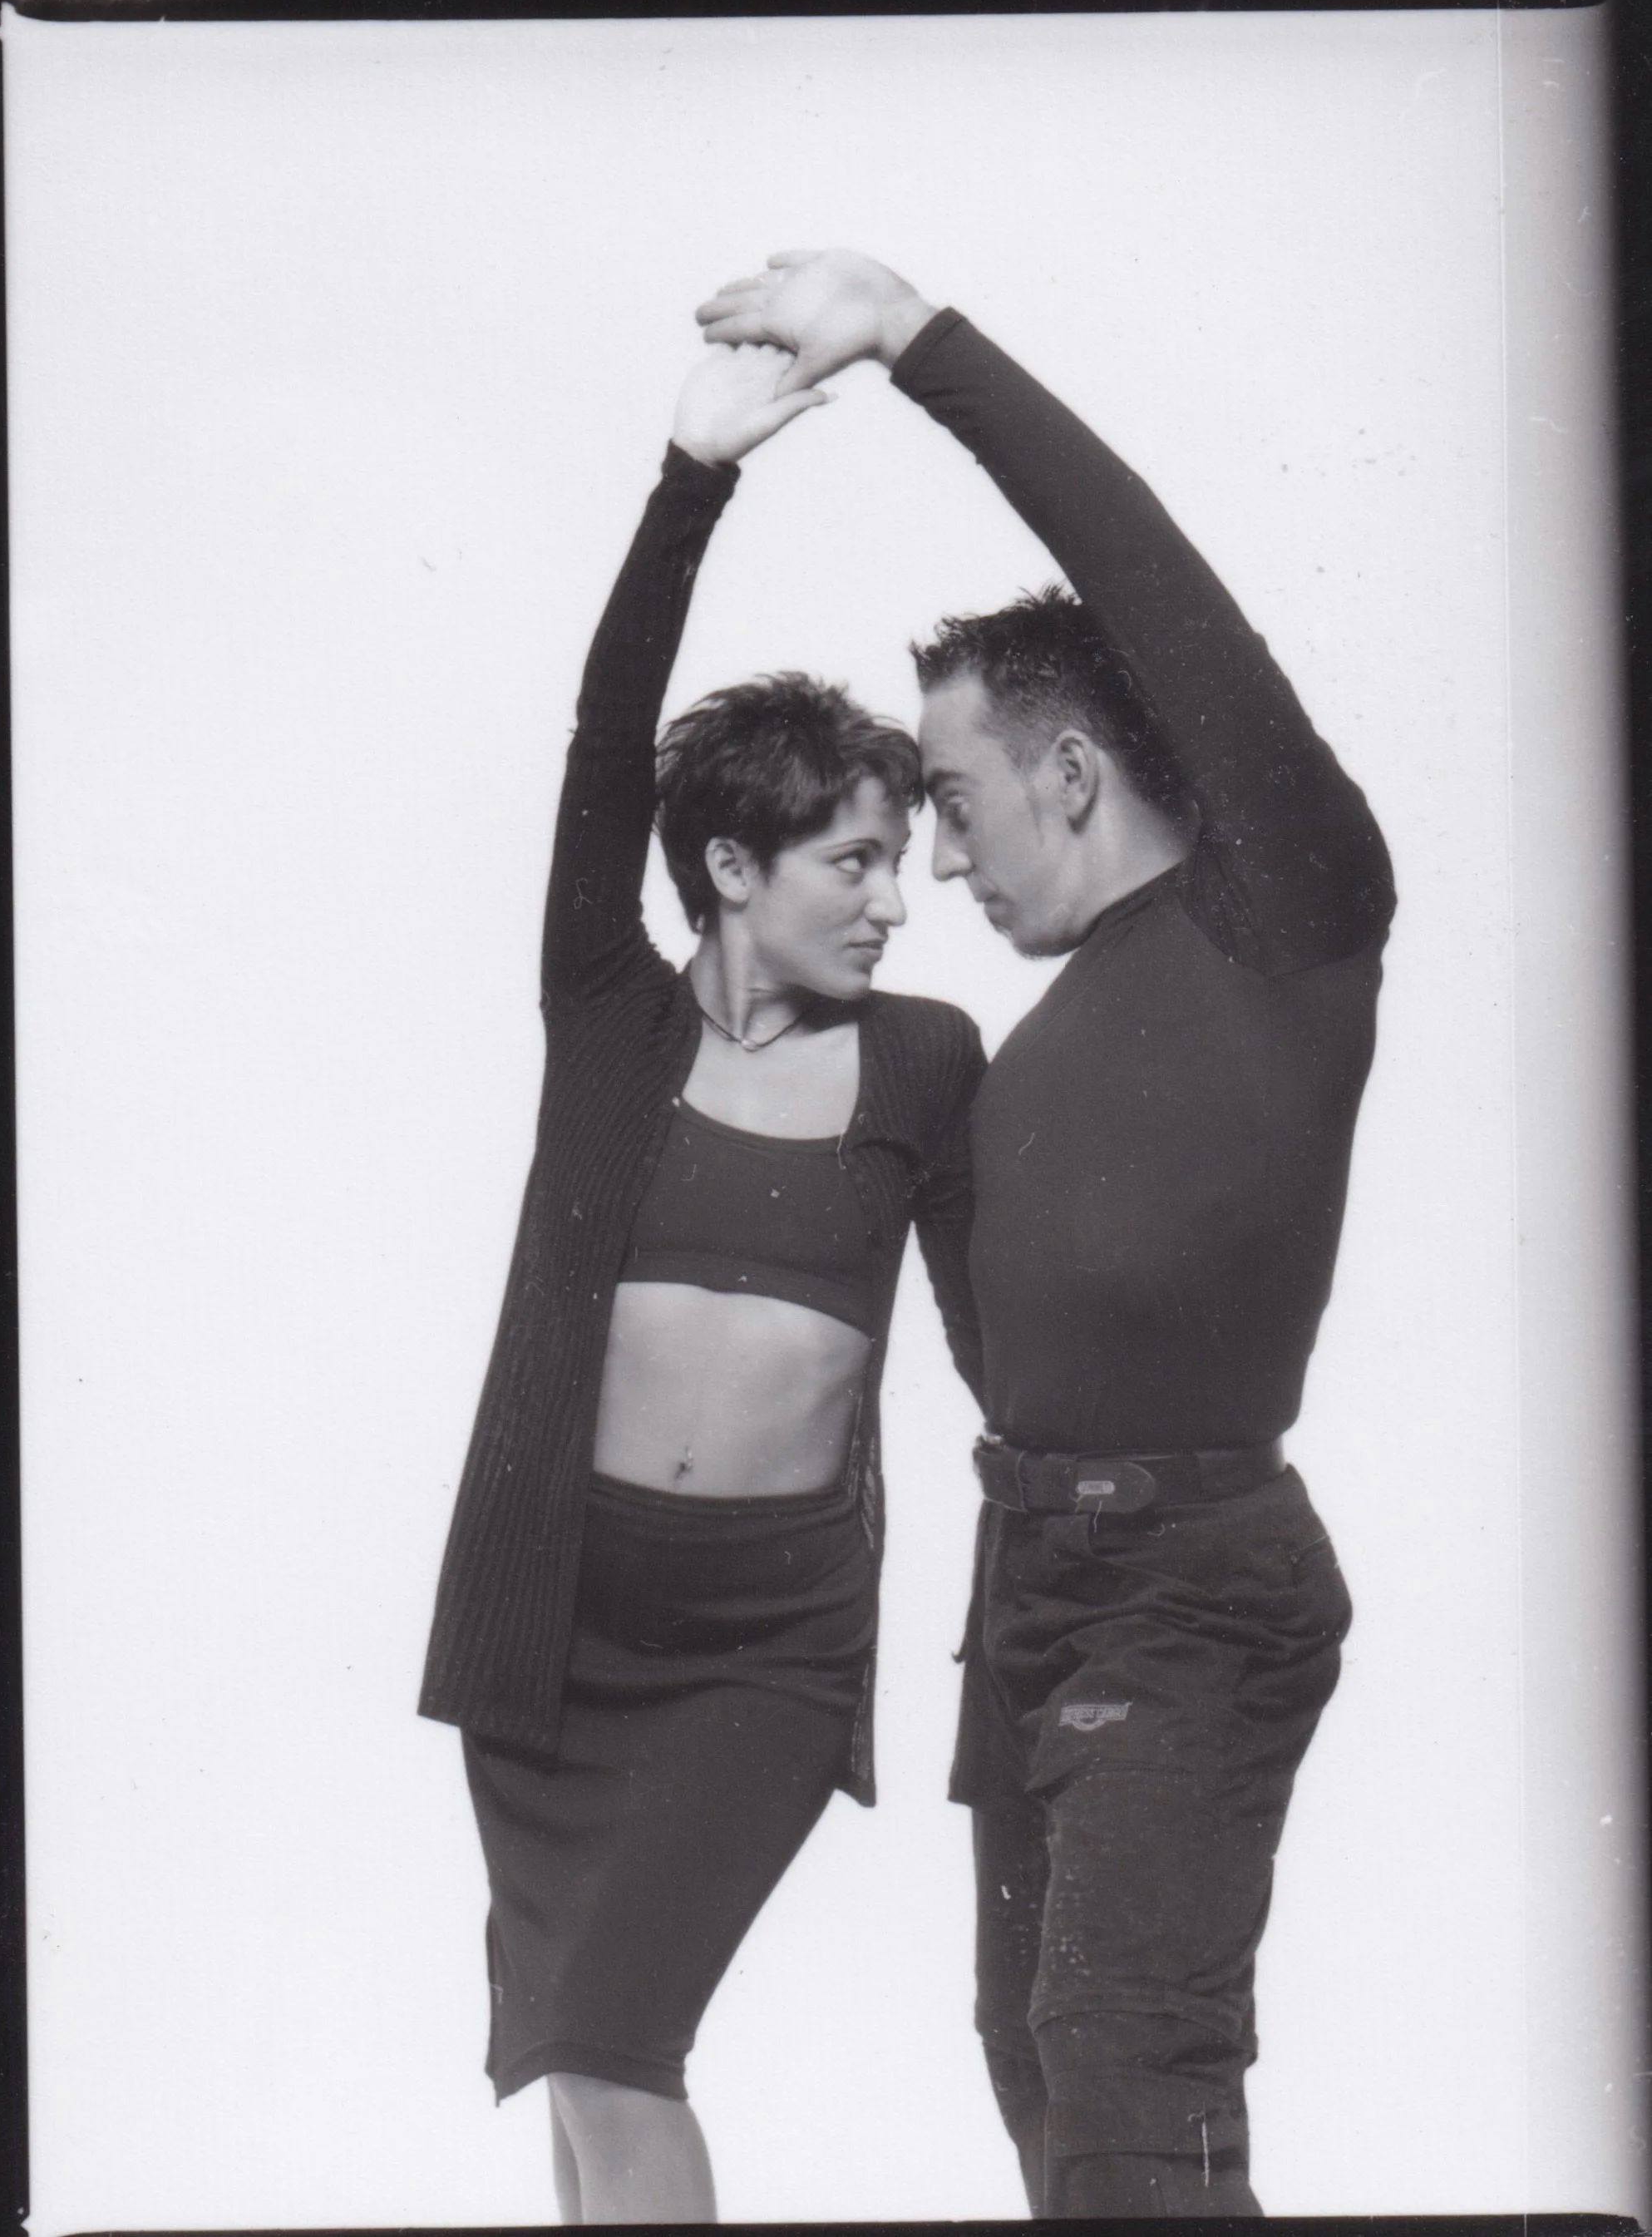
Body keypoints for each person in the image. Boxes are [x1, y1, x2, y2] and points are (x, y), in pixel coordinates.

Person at [701, 250, 1397, 2217]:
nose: (935, 858)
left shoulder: (1284, 910)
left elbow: (1147, 576)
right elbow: (1010, 1359)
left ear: (1072, 769)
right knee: (1035, 2056)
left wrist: (913, 339)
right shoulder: (1016, 1058)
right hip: (1030, 1582)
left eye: (951, 801)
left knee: (1120, 2064)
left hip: (1189, 1587)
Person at [417, 337, 985, 2223]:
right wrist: (690, 483)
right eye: (854, 859)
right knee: (574, 2055)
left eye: (899, 861)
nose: (892, 899)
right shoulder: (609, 1014)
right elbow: (607, 745)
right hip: (555, 1624)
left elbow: (1004, 1331)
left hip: (763, 1644)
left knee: (616, 2036)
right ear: (732, 866)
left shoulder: (925, 1062)